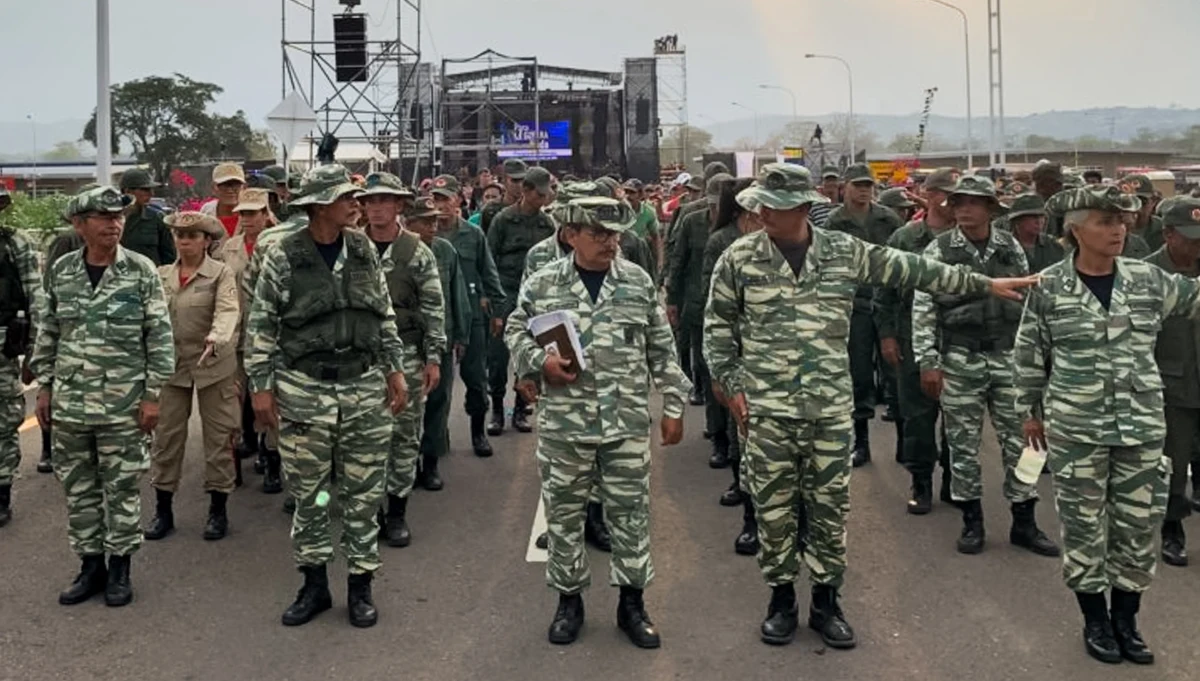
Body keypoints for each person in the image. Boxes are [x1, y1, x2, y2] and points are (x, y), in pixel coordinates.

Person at [704, 163, 1038, 650]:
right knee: (774, 510)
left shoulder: (843, 251)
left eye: (771, 208)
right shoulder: (738, 258)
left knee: (830, 509)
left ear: (798, 207)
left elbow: (916, 269)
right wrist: (730, 382)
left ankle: (826, 601)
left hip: (829, 409)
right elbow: (718, 328)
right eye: (759, 206)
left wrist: (984, 284)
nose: (760, 215)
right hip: (767, 409)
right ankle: (780, 600)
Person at [1013, 185, 1200, 666]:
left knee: (1137, 530)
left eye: (1122, 220)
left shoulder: (1148, 279)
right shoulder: (1050, 285)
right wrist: (1028, 413)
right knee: (1083, 530)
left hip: (1140, 429)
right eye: (1103, 220)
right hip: (1077, 429)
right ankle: (1095, 620)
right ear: (1075, 229)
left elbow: (1196, 297)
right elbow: (1030, 352)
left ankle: (1127, 621)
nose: (1117, 228)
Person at [506, 196, 690, 648]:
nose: (611, 242)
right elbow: (516, 328)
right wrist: (536, 364)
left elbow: (660, 347)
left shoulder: (636, 281)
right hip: (566, 423)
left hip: (625, 422)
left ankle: (633, 603)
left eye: (615, 234)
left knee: (630, 516)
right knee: (565, 515)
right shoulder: (544, 282)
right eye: (599, 234)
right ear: (571, 236)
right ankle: (569, 601)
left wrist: (673, 403)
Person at [245, 167, 409, 629]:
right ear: (318, 206)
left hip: (362, 388)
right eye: (346, 199)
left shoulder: (362, 250)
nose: (356, 205)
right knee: (313, 495)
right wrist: (260, 386)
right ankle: (314, 583)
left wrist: (394, 369)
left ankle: (361, 586)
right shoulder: (284, 254)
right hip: (304, 390)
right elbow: (261, 325)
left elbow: (383, 314)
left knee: (361, 494)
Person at [32, 185, 175, 607]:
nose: (114, 224)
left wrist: (152, 396)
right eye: (103, 217)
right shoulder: (62, 271)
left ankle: (120, 570)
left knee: (122, 487)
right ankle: (90, 566)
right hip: (73, 402)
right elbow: (50, 331)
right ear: (79, 225)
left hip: (123, 404)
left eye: (119, 217)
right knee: (79, 488)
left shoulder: (141, 270)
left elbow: (159, 336)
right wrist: (45, 387)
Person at [910, 176, 1058, 557]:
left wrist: (1034, 359)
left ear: (991, 208)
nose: (963, 209)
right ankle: (971, 520)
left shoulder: (1009, 246)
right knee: (963, 444)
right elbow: (923, 307)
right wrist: (928, 361)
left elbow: (1026, 301)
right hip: (960, 357)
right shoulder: (939, 249)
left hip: (1008, 356)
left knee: (1025, 444)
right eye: (958, 202)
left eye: (973, 202)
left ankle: (1024, 519)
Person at [361, 172, 446, 547]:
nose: (376, 208)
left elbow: (433, 308)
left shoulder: (416, 252)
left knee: (404, 436)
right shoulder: (350, 247)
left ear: (399, 205)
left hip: (408, 356)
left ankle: (396, 512)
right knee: (362, 439)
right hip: (361, 360)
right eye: (370, 201)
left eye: (384, 201)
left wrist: (433, 357)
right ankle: (367, 512)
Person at [144, 212, 241, 542]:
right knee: (167, 438)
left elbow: (228, 310)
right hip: (173, 366)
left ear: (206, 240)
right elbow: (151, 318)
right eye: (179, 235)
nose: (184, 241)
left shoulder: (220, 274)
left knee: (219, 438)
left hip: (214, 365)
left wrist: (217, 337)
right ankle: (163, 509)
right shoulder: (160, 277)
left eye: (192, 235)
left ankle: (218, 508)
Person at [874, 168, 958, 512]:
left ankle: (955, 481)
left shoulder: (968, 239)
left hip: (957, 340)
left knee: (958, 419)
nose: (953, 203)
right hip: (911, 339)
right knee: (918, 418)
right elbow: (886, 290)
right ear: (930, 194)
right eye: (947, 194)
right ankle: (921, 482)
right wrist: (887, 335)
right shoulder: (906, 239)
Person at [824, 163, 904, 467]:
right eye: (858, 184)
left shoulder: (888, 218)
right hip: (853, 305)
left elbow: (901, 259)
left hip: (886, 303)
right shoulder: (835, 222)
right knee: (858, 374)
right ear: (845, 186)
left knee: (894, 370)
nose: (863, 190)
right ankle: (862, 442)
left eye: (868, 185)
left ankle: (903, 440)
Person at [700, 177, 761, 555]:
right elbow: (715, 301)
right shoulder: (722, 242)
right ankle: (749, 508)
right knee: (744, 429)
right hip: (737, 347)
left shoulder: (795, 246)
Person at [1143, 196, 1200, 568]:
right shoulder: (1147, 274)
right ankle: (1172, 530)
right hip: (1171, 386)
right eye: (1191, 237)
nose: (1198, 244)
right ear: (1168, 234)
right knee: (1173, 465)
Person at [431, 173, 506, 458]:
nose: (440, 206)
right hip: (438, 316)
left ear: (458, 200)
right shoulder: (425, 234)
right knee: (438, 384)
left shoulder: (472, 235)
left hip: (473, 314)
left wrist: (498, 311)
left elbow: (489, 273)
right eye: (435, 199)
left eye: (445, 199)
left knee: (475, 377)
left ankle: (478, 432)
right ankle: (438, 438)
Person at [486, 167, 557, 437]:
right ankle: (496, 410)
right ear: (526, 191)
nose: (543, 199)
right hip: (505, 291)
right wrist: (490, 297)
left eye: (546, 194)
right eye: (539, 194)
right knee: (498, 354)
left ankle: (519, 410)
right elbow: (489, 259)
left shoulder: (546, 224)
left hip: (534, 295)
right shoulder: (504, 220)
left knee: (529, 353)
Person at [219, 188, 282, 491]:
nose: (247, 219)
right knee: (232, 402)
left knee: (270, 402)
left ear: (266, 214)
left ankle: (271, 461)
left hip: (270, 337)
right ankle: (233, 463)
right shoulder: (228, 249)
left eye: (253, 213)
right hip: (236, 336)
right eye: (243, 213)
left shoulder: (280, 245)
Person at [409, 198, 471, 491]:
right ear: (409, 223)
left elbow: (457, 294)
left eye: (435, 221)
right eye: (426, 221)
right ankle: (405, 464)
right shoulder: (398, 252)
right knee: (405, 408)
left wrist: (461, 334)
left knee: (438, 403)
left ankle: (430, 461)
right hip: (406, 340)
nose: (433, 226)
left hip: (439, 338)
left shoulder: (445, 250)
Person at [668, 173, 734, 433]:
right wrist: (672, 299)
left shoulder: (740, 227)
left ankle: (731, 431)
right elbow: (678, 259)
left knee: (729, 371)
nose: (716, 208)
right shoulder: (691, 221)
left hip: (732, 311)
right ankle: (716, 431)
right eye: (713, 202)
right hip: (697, 304)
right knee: (705, 368)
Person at [0, 186, 42, 527]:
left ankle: (1, 492)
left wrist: (34, 353)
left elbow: (35, 297)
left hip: (2, 345)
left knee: (3, 421)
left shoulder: (16, 244)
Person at [118, 169, 176, 265]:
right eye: (145, 189)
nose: (151, 193)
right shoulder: (112, 220)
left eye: (151, 189)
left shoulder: (157, 218)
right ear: (127, 191)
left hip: (150, 277)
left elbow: (169, 257)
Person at [1008, 193, 1065, 274]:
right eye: (1032, 217)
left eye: (1041, 216)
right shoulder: (1003, 247)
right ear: (1017, 220)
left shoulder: (1053, 245)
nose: (1038, 221)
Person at [478, 159, 527, 233]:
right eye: (515, 181)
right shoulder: (490, 210)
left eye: (523, 180)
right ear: (504, 180)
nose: (520, 185)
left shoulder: (532, 208)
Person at [1119, 175, 1165, 252]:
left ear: (1153, 202)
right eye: (1129, 203)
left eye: (1142, 202)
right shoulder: (1110, 233)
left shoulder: (1163, 230)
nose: (1137, 209)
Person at [201, 163, 247, 239]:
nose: (230, 190)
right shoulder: (207, 212)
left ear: (244, 187)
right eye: (224, 185)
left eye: (236, 185)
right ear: (214, 188)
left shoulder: (255, 212)